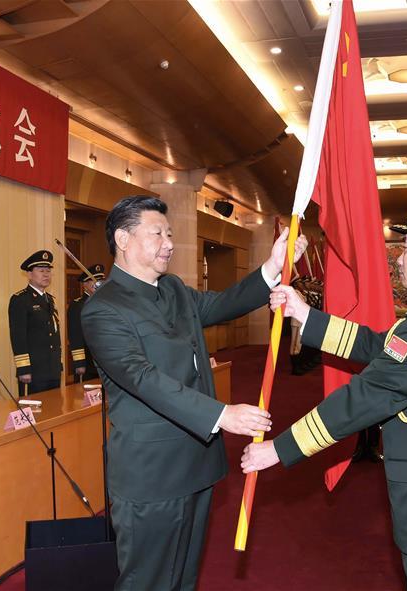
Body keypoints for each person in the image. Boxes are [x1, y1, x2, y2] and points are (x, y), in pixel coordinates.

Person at [242, 187, 407, 591]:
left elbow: (364, 397)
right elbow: (380, 347)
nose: (400, 257)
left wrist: (278, 448)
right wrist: (307, 315)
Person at [80, 195, 306, 591]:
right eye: (158, 234)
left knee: (184, 578)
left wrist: (272, 266)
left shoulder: (173, 289)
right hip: (152, 475)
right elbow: (142, 377)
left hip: (196, 463)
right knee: (147, 581)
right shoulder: (103, 308)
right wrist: (222, 415)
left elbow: (222, 303)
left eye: (170, 233)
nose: (169, 242)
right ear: (123, 238)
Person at [9, 250, 63, 395]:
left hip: (52, 369)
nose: (46, 274)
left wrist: (59, 364)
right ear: (29, 274)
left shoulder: (50, 300)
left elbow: (54, 334)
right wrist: (23, 368)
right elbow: (18, 336)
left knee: (55, 409)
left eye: (48, 270)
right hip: (33, 370)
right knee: (33, 413)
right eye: (41, 270)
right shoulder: (20, 299)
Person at [67, 263, 106, 382]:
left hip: (103, 362)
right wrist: (79, 362)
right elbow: (75, 335)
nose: (98, 283)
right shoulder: (78, 305)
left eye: (101, 280)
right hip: (87, 363)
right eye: (94, 280)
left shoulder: (104, 303)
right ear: (85, 284)